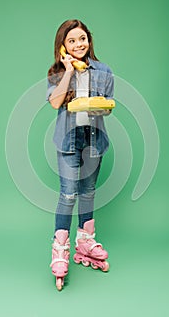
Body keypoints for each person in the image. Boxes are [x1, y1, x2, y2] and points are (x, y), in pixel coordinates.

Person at [46, 19, 114, 290]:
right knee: (68, 194)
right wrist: (68, 71)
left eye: (82, 39)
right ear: (63, 46)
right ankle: (60, 249)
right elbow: (54, 103)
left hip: (94, 140)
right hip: (68, 140)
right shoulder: (56, 72)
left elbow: (108, 106)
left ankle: (85, 241)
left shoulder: (105, 71)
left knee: (88, 192)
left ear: (89, 40)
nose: (78, 44)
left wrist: (100, 106)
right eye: (72, 40)